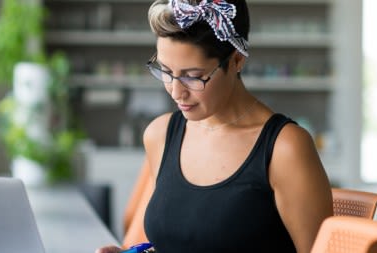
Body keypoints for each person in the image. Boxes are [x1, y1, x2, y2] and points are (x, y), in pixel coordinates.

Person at [95, 0, 333, 252]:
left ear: (237, 60)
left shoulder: (284, 148)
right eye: (165, 71)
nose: (176, 92)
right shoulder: (160, 134)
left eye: (193, 77)